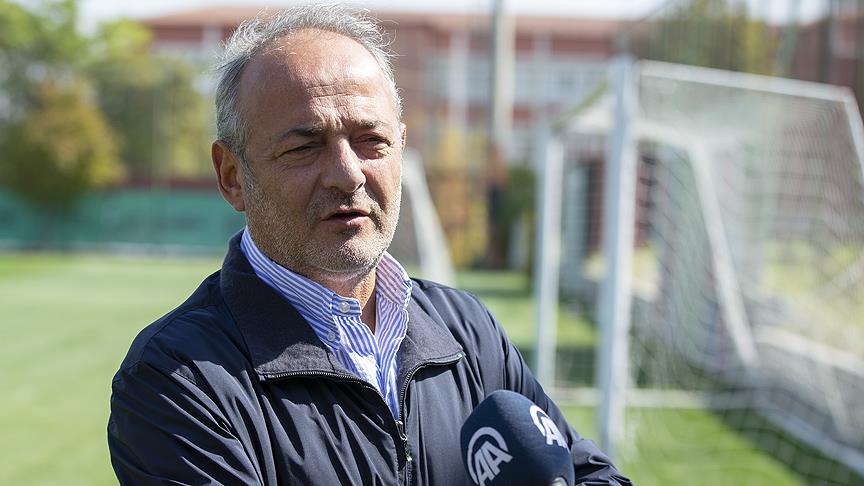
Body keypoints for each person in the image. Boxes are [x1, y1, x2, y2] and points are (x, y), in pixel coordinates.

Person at [107, 4, 632, 485]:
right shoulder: (177, 379)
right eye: (304, 147)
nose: (347, 174)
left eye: (370, 141)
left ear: (401, 146)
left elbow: (590, 474)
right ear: (231, 176)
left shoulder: (466, 331)